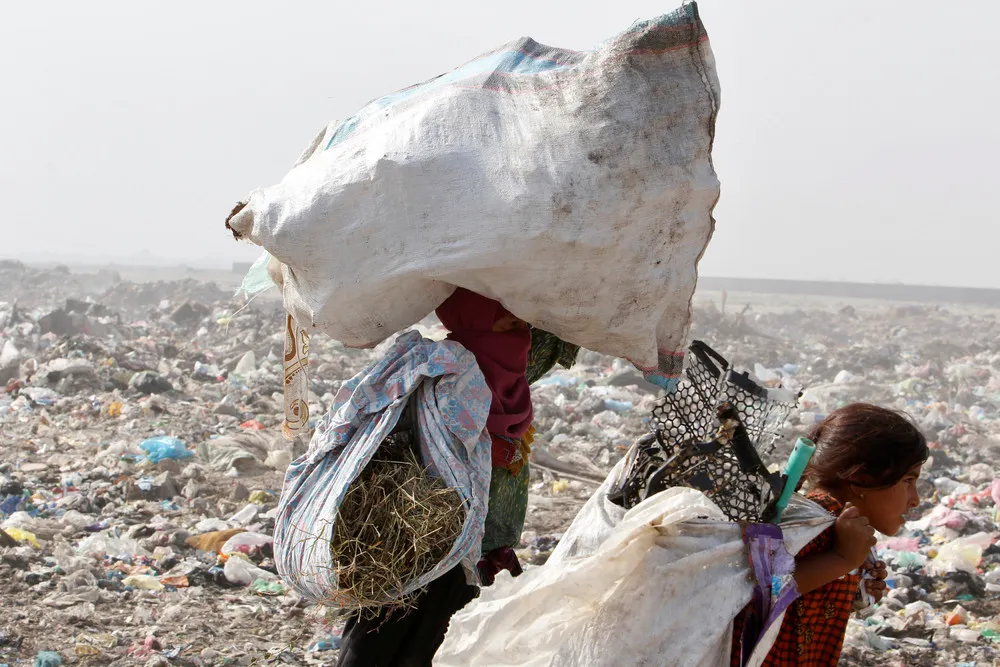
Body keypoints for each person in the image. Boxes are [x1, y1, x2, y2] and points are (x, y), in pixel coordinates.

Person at [336, 288, 578, 667]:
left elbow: (555, 335)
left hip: (475, 554)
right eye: (509, 323)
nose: (521, 333)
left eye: (522, 324)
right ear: (474, 322)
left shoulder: (510, 383)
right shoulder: (437, 372)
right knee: (381, 643)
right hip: (416, 545)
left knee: (443, 647)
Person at [732, 403, 928, 666]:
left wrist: (854, 592)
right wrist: (841, 559)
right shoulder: (814, 527)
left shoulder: (842, 527)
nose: (915, 499)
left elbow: (804, 606)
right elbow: (760, 594)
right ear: (861, 478)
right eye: (908, 481)